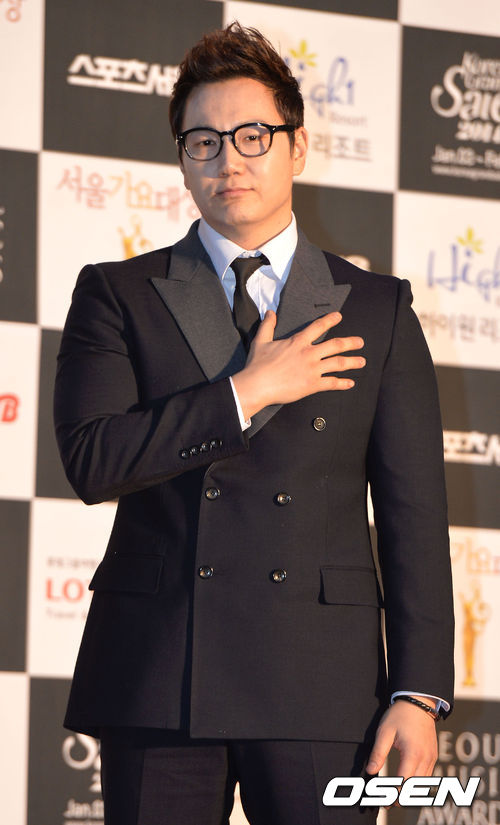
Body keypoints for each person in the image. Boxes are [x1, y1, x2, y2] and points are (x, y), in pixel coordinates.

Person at [54, 22, 454, 825]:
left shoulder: (375, 309)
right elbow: (93, 460)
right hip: (162, 673)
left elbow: (413, 513)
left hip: (321, 680)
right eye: (202, 141)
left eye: (252, 135)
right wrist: (245, 392)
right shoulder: (118, 294)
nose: (227, 160)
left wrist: (417, 690)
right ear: (182, 160)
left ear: (296, 146)